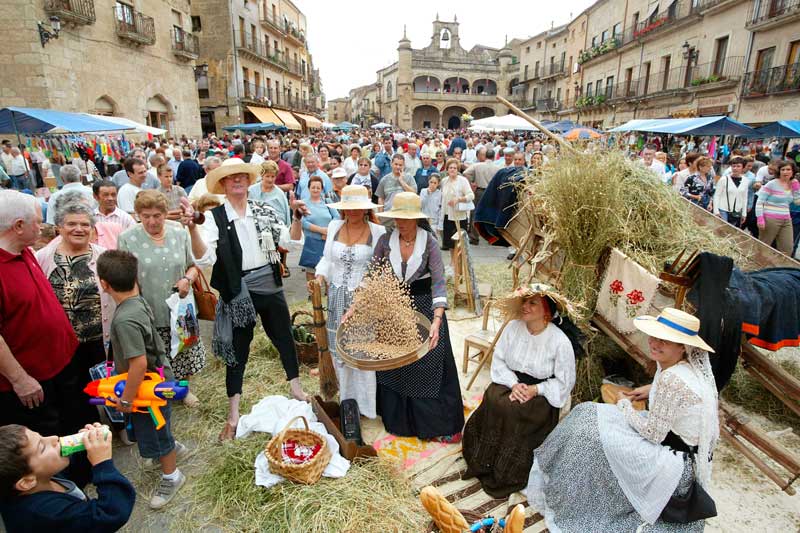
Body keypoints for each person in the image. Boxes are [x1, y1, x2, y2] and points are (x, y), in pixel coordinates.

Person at [526, 308, 719, 532]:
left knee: (593, 437)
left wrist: (623, 404)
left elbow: (653, 434)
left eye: (665, 340)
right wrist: (647, 390)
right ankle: (571, 484)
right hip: (671, 439)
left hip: (674, 459)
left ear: (683, 347)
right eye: (655, 336)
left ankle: (581, 496)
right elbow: (676, 396)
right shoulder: (680, 366)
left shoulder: (673, 379)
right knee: (586, 413)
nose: (655, 343)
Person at [185, 158, 306, 442]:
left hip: (269, 283)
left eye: (242, 176)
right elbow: (204, 258)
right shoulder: (215, 218)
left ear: (248, 181)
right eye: (231, 177)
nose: (237, 180)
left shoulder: (264, 210)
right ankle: (233, 414)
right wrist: (192, 229)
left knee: (285, 338)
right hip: (238, 290)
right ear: (223, 184)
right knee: (238, 352)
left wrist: (298, 217)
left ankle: (297, 388)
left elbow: (290, 241)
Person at [463, 284, 576, 498]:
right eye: (525, 301)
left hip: (542, 391)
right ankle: (483, 460)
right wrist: (514, 384)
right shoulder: (512, 328)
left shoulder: (560, 342)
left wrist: (536, 389)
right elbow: (499, 362)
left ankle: (507, 470)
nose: (525, 306)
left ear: (547, 311)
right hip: (511, 381)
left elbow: (564, 383)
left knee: (517, 411)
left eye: (532, 302)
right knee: (494, 398)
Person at [96, 250, 187, 509]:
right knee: (160, 424)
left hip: (147, 389)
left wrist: (126, 399)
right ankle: (171, 446)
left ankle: (172, 475)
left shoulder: (125, 319)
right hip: (158, 380)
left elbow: (138, 363)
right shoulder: (137, 301)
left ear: (104, 284)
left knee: (155, 431)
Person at [370, 192, 465, 439]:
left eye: (406, 218)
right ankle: (399, 421)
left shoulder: (430, 243)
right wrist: (359, 306)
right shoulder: (385, 241)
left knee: (427, 364)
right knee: (396, 364)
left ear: (416, 219)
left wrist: (436, 321)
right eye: (397, 218)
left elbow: (439, 284)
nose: (400, 223)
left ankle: (433, 426)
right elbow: (372, 276)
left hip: (424, 308)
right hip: (393, 310)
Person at [0, 190, 84, 439]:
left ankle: (80, 475)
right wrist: (20, 380)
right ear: (18, 226)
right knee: (47, 437)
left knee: (72, 424)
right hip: (32, 382)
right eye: (38, 221)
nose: (43, 227)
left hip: (62, 365)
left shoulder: (24, 250)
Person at [117, 191, 205, 404]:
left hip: (180, 307)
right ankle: (160, 390)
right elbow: (126, 278)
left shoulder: (179, 233)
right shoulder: (127, 239)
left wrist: (186, 279)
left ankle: (184, 390)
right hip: (149, 307)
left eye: (157, 215)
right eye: (145, 215)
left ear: (166, 213)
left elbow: (193, 266)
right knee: (156, 353)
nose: (151, 221)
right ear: (137, 214)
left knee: (184, 349)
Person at [35, 198, 115, 426]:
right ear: (59, 227)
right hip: (64, 341)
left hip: (101, 337)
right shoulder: (43, 258)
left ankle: (118, 423)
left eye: (84, 224)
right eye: (71, 224)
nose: (78, 229)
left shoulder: (103, 256)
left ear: (92, 229)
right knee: (73, 387)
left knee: (107, 380)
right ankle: (85, 427)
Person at [311, 186, 385, 418]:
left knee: (359, 350)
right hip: (336, 295)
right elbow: (326, 259)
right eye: (348, 208)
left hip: (363, 299)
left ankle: (364, 406)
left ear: (365, 208)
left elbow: (378, 269)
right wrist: (319, 277)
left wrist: (362, 297)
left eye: (357, 208)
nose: (352, 212)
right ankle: (344, 400)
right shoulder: (335, 227)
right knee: (337, 348)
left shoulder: (378, 231)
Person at [0, 423, 135, 532]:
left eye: (41, 437)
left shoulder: (42, 477)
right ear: (27, 482)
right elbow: (111, 514)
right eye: (42, 447)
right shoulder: (45, 513)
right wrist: (102, 464)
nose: (53, 438)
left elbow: (76, 471)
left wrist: (85, 448)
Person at [297, 175, 339, 281]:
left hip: (328, 240)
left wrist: (328, 231)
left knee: (329, 269)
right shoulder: (303, 203)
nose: (315, 190)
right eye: (313, 187)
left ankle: (329, 294)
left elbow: (337, 217)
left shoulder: (327, 201)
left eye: (318, 188)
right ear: (309, 188)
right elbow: (303, 222)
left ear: (321, 189)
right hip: (312, 241)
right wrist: (321, 230)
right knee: (311, 270)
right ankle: (313, 295)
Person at [756, 160, 800, 255]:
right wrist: (760, 218)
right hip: (770, 219)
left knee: (787, 248)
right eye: (783, 170)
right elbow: (759, 202)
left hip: (786, 219)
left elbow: (797, 202)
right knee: (764, 246)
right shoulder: (772, 184)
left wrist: (796, 188)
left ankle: (781, 269)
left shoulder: (793, 183)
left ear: (793, 171)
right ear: (779, 171)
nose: (785, 172)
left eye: (788, 169)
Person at [439, 158, 475, 250]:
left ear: (458, 169)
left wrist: (459, 199)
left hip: (459, 216)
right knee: (450, 243)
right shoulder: (444, 181)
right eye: (450, 167)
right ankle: (452, 263)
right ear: (447, 169)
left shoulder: (463, 181)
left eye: (455, 168)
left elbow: (471, 196)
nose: (452, 170)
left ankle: (460, 263)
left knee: (460, 244)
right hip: (447, 215)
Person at [248, 160, 290, 226]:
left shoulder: (280, 194)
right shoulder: (251, 190)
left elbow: (286, 218)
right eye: (267, 176)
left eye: (273, 176)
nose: (270, 180)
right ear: (262, 175)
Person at [713, 156, 748, 227]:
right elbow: (717, 195)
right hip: (723, 209)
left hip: (736, 211)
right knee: (722, 229)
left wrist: (744, 213)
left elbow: (744, 197)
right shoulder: (724, 179)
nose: (735, 168)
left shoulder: (745, 180)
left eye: (738, 166)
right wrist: (716, 211)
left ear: (742, 168)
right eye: (733, 166)